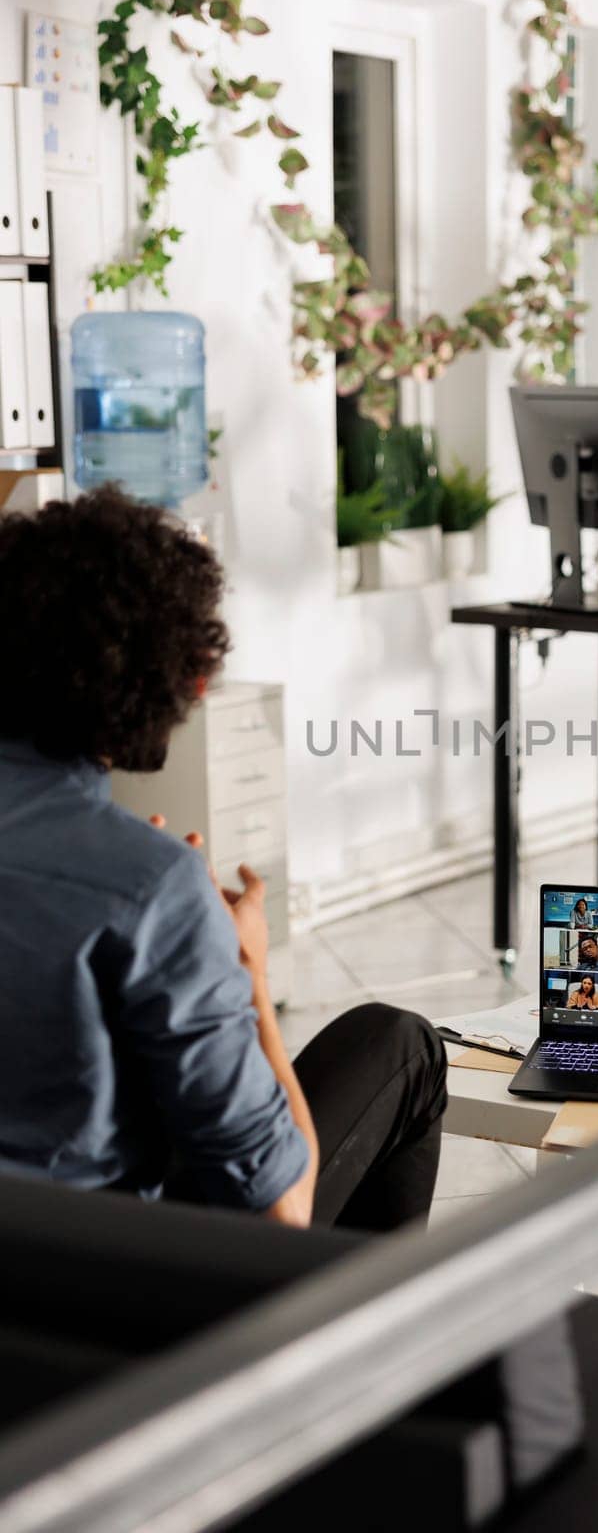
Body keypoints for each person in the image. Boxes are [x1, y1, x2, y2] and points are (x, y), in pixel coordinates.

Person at [0, 488, 447, 1233]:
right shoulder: (147, 885)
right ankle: (373, 1347)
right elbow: (282, 1210)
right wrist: (245, 975)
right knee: (402, 1046)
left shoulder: (139, 881)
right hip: (114, 1297)